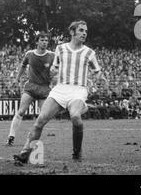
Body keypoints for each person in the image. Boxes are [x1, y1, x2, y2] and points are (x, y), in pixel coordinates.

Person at [13, 20, 107, 164]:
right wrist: (53, 71)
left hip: (78, 90)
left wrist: (102, 78)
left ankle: (77, 153)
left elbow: (97, 72)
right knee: (39, 122)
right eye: (81, 30)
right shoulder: (60, 49)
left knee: (75, 116)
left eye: (86, 31)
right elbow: (55, 67)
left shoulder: (89, 52)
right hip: (60, 89)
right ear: (72, 32)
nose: (84, 33)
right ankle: (25, 154)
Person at [6, 31, 54, 146]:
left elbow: (57, 69)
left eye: (46, 40)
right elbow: (23, 66)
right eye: (42, 40)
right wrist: (17, 79)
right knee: (21, 112)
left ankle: (32, 135)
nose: (44, 42)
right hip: (31, 87)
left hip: (44, 89)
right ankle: (11, 137)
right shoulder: (29, 54)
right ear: (37, 42)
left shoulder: (52, 55)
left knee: (43, 117)